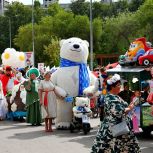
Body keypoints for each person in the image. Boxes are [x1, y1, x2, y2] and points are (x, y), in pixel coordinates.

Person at [91, 74, 140, 153]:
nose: (120, 86)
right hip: (114, 128)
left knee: (125, 147)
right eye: (118, 85)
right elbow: (118, 112)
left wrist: (129, 107)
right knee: (111, 147)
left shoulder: (115, 96)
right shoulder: (110, 97)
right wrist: (129, 108)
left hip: (121, 127)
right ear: (113, 86)